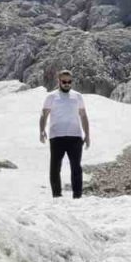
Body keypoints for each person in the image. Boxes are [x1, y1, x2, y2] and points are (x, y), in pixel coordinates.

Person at [38, 69, 90, 198]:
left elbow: (83, 116)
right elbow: (44, 115)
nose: (67, 84)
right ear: (59, 81)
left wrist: (87, 134)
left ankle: (77, 196)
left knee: (76, 167)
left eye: (69, 81)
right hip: (56, 136)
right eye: (64, 81)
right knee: (55, 167)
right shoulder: (51, 97)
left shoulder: (77, 96)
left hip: (75, 136)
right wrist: (41, 130)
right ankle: (57, 196)